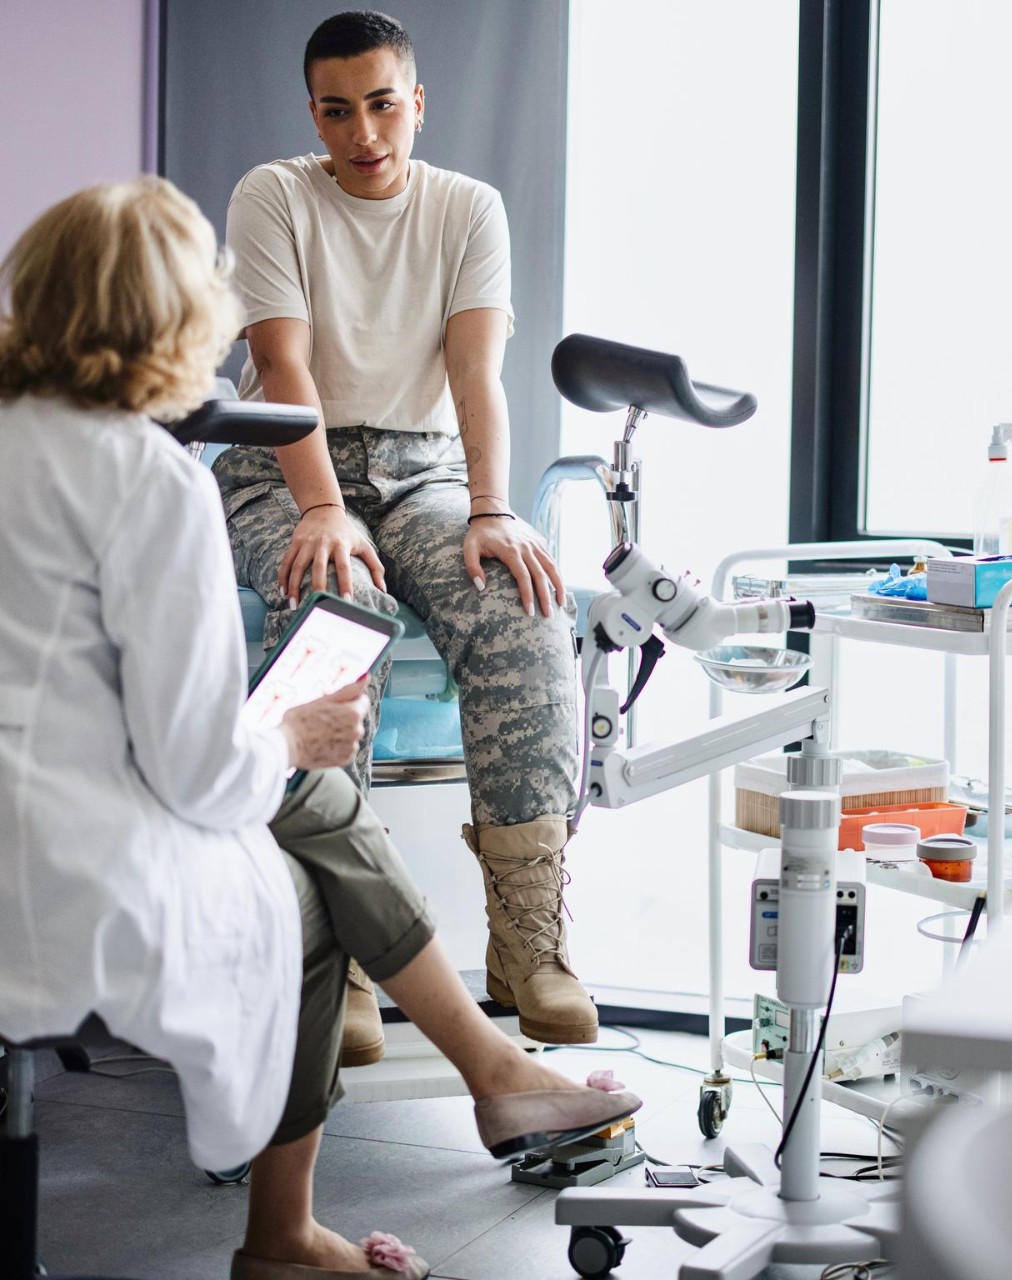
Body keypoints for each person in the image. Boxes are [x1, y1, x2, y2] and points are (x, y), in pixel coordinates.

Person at [0, 178, 639, 1279]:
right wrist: (291, 734)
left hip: (46, 786)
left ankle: (492, 1056)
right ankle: (301, 1219)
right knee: (307, 887)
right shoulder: (146, 477)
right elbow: (202, 772)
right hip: (50, 853)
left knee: (312, 799)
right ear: (177, 315)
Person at [214, 8, 595, 1053]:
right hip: (286, 464)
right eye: (338, 111)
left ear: (417, 103)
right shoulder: (274, 193)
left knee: (521, 601)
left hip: (424, 472)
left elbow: (476, 373)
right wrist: (322, 506)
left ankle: (528, 945)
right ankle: (328, 952)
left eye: (383, 105)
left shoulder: (468, 209)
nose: (364, 133)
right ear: (314, 114)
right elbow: (282, 366)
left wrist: (490, 506)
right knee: (339, 609)